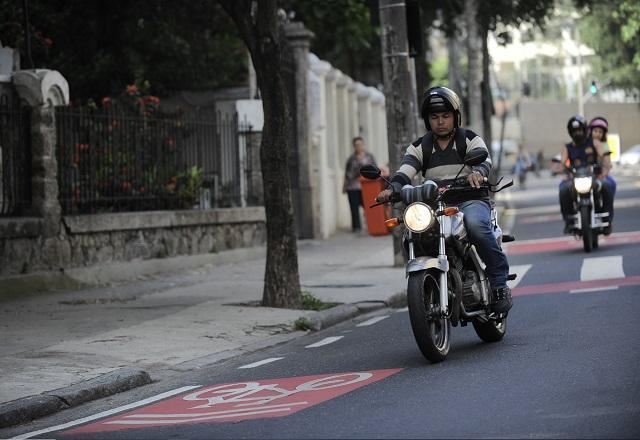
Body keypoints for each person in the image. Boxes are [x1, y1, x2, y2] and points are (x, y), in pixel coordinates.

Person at [376, 86, 512, 314]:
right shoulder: (420, 147)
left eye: (445, 116)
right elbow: (404, 172)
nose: (440, 122)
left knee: (476, 227)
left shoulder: (469, 139)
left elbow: (485, 162)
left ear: (455, 116)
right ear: (428, 120)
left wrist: (478, 172)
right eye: (435, 117)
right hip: (436, 205)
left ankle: (499, 284)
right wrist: (393, 188)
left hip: (470, 200)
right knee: (415, 232)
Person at [559, 115, 615, 235]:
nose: (577, 133)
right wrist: (563, 172)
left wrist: (605, 170)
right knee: (562, 189)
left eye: (579, 130)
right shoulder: (567, 147)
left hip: (594, 178)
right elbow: (562, 163)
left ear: (584, 130)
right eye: (574, 131)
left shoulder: (594, 143)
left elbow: (604, 156)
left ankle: (607, 219)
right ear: (570, 132)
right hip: (574, 180)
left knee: (607, 185)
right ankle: (568, 221)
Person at [343, 137, 376, 233]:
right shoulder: (351, 158)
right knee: (354, 208)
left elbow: (375, 169)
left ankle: (372, 225)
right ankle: (356, 227)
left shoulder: (369, 157)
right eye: (356, 145)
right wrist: (344, 186)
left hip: (367, 186)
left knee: (369, 207)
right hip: (352, 186)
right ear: (354, 146)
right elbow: (347, 173)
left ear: (363, 145)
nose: (359, 147)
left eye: (360, 144)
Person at [588, 116, 617, 196]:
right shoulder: (586, 144)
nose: (597, 134)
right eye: (595, 131)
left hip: (600, 174)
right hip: (586, 175)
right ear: (590, 131)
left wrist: (604, 173)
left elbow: (607, 163)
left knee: (611, 183)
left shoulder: (605, 146)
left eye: (600, 132)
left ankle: (608, 207)